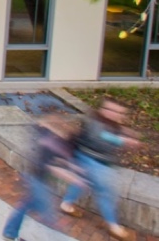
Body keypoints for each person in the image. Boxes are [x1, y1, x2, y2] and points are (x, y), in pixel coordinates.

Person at [58, 99, 141, 241]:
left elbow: (109, 132)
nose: (114, 114)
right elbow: (101, 136)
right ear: (102, 109)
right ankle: (114, 227)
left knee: (81, 182)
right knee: (106, 193)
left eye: (119, 112)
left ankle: (66, 204)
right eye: (110, 110)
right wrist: (122, 140)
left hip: (88, 158)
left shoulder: (107, 122)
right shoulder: (94, 123)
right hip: (92, 160)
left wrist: (124, 132)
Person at [1, 114, 85, 241]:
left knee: (28, 205)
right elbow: (52, 166)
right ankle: (10, 232)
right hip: (37, 178)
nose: (71, 130)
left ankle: (10, 233)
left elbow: (66, 160)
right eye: (70, 126)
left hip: (41, 179)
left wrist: (75, 169)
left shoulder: (67, 142)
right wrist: (75, 178)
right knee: (48, 215)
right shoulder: (51, 140)